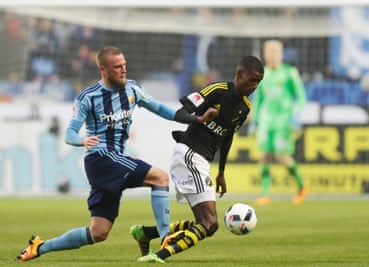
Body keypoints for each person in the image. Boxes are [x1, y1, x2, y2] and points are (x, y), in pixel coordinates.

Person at [16, 46, 218, 261]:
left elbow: (160, 108)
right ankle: (165, 236)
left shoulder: (133, 90)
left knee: (98, 232)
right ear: (103, 70)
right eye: (117, 67)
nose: (123, 70)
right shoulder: (88, 97)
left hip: (113, 160)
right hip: (100, 158)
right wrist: (82, 140)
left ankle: (39, 246)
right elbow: (69, 134)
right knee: (160, 178)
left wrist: (196, 118)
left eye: (124, 65)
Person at [131, 55, 264, 263]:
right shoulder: (217, 90)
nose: (255, 85)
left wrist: (221, 172)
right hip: (189, 154)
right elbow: (181, 113)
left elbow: (227, 137)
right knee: (210, 223)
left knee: (204, 224)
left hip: (201, 160)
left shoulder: (244, 108)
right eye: (253, 80)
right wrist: (199, 118)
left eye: (259, 82)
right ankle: (159, 255)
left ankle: (146, 233)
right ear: (240, 75)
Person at [250, 39, 308, 205]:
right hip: (266, 122)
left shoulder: (290, 73)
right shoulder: (261, 75)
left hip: (284, 122)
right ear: (264, 54)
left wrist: (296, 115)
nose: (272, 55)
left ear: (281, 54)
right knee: (264, 157)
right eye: (269, 51)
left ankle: (302, 185)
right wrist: (254, 120)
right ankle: (265, 194)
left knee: (283, 158)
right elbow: (259, 99)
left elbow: (301, 96)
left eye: (276, 51)